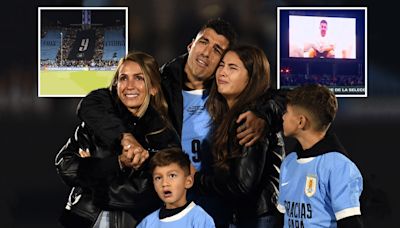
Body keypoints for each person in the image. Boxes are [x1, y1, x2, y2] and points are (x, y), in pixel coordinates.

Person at [76, 18, 273, 227]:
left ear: (222, 63)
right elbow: (93, 103)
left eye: (217, 50)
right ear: (191, 45)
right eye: (204, 42)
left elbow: (272, 97)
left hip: (218, 209)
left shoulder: (230, 94)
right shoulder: (160, 85)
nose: (206, 52)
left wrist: (264, 114)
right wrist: (124, 137)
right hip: (168, 207)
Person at [55, 51, 180, 227]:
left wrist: (92, 179)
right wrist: (117, 163)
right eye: (123, 78)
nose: (129, 85)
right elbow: (65, 165)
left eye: (139, 78)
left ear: (153, 88)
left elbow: (150, 192)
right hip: (83, 221)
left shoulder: (164, 135)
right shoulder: (96, 125)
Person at [193, 44, 285, 228]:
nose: (222, 72)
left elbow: (242, 185)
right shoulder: (228, 114)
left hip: (258, 219)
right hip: (242, 216)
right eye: (221, 65)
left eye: (232, 68)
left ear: (251, 78)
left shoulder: (251, 119)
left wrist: (196, 180)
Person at [277, 84, 364, 228]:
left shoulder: (339, 166)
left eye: (286, 112)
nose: (282, 116)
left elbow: (350, 223)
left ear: (301, 121)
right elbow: (281, 218)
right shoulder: (289, 162)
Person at [137, 147, 215, 228]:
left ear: (188, 182)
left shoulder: (199, 219)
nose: (164, 183)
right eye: (158, 178)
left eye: (172, 175)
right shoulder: (147, 223)